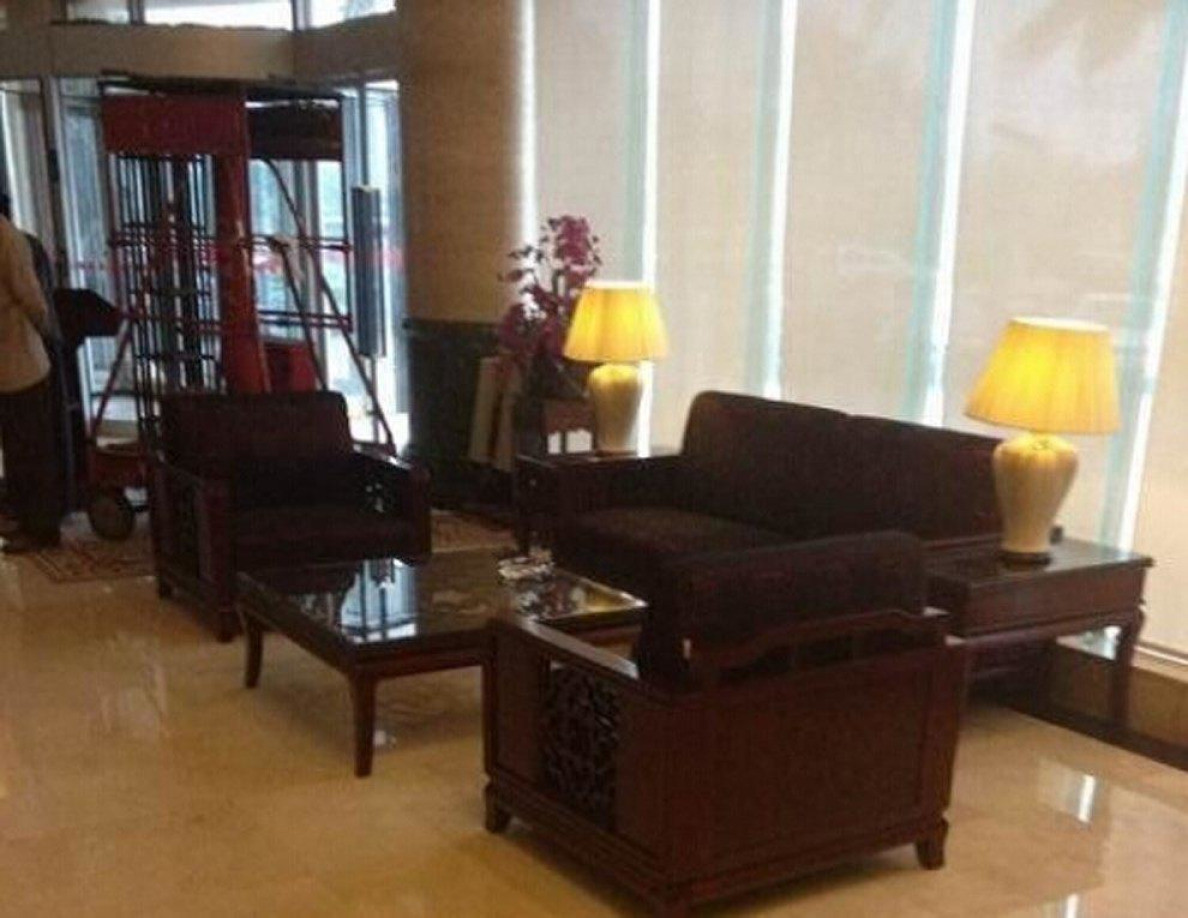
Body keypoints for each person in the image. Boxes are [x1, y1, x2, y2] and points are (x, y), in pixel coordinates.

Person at [0, 192, 61, 552]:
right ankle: (26, 520)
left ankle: (42, 528)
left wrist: (46, 331)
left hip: (22, 361)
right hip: (9, 362)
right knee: (16, 447)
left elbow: (32, 299)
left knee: (31, 450)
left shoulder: (8, 240)